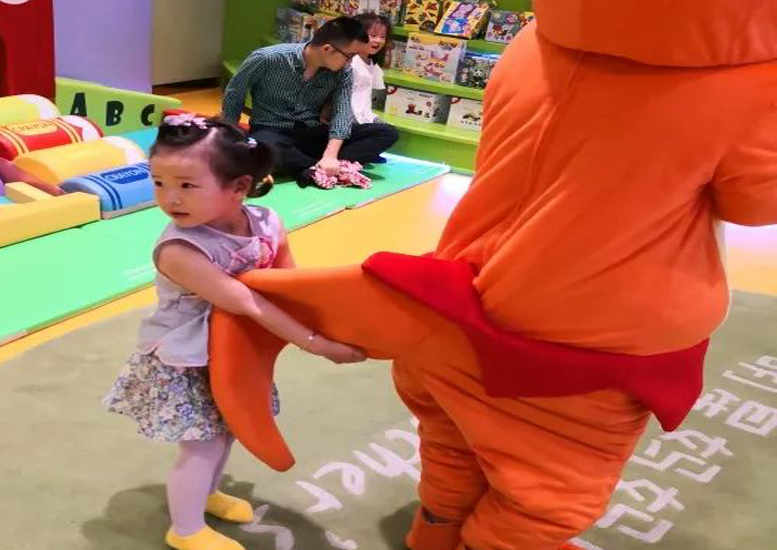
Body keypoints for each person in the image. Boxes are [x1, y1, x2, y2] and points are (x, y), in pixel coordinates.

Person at [203, 1, 777, 549]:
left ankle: (436, 531)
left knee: (453, 443)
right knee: (552, 497)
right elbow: (755, 203)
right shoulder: (752, 87)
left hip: (455, 297)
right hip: (585, 338)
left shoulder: (532, 42)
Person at [102, 114, 366, 550]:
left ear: (239, 187)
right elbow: (246, 302)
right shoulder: (179, 250)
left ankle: (207, 494)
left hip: (238, 350)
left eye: (187, 185)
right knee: (203, 445)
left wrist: (332, 320)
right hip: (187, 359)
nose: (170, 198)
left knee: (229, 428)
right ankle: (185, 530)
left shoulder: (267, 222)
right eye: (159, 183)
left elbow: (288, 284)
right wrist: (316, 344)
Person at [222, 16, 398, 188]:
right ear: (327, 49)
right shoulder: (267, 58)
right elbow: (234, 94)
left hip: (313, 132)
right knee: (265, 146)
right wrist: (231, 139)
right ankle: (320, 167)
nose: (350, 62)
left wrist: (330, 155)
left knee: (386, 132)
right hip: (272, 131)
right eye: (349, 56)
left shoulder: (343, 72)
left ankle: (316, 166)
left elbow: (342, 112)